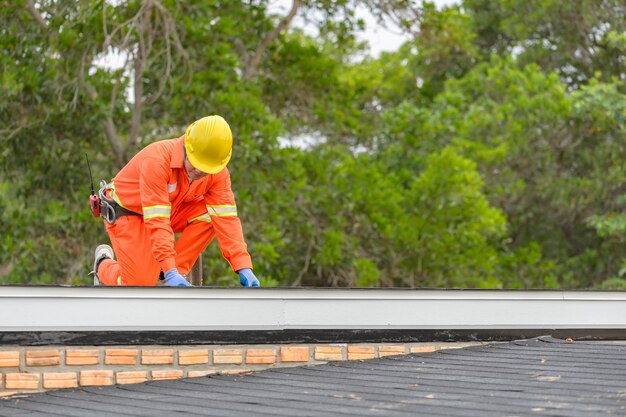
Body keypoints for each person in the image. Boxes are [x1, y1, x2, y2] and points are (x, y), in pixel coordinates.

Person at [91, 115, 260, 287]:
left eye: (206, 169)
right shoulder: (157, 161)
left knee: (212, 213)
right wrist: (169, 265)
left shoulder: (218, 173)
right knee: (139, 284)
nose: (200, 171)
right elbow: (158, 220)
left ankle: (168, 273)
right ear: (187, 147)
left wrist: (243, 266)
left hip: (167, 212)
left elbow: (227, 220)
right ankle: (102, 265)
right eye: (196, 163)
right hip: (127, 212)